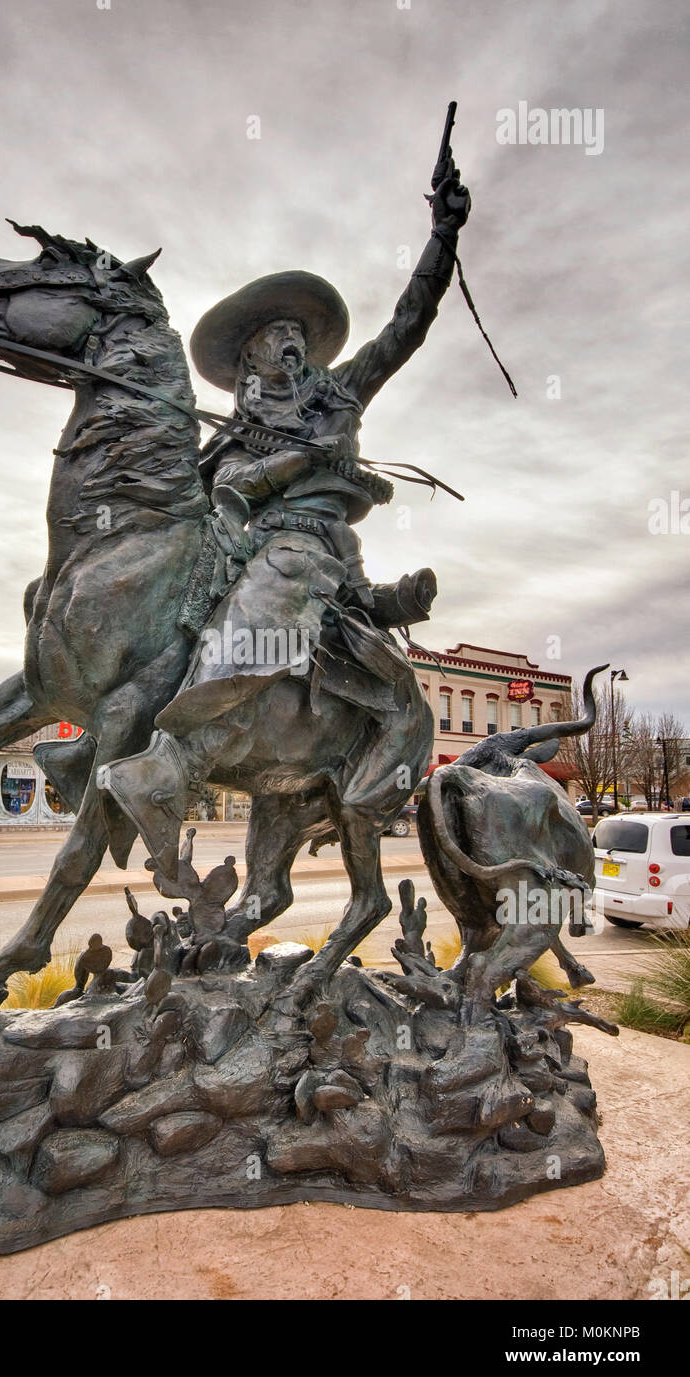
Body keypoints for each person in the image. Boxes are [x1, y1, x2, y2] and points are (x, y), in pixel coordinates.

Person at [101, 166, 471, 870]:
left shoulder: (338, 397)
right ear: (249, 356)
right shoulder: (231, 433)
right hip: (230, 539)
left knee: (284, 577)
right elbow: (209, 491)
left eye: (297, 329)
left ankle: (178, 760)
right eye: (276, 332)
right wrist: (283, 467)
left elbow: (404, 328)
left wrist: (442, 236)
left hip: (304, 550)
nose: (291, 336)